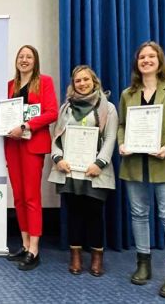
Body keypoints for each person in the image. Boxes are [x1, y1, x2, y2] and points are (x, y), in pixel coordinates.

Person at [118, 41, 165, 298]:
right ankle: (143, 263)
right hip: (135, 163)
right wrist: (122, 143)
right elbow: (121, 125)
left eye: (151, 56)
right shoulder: (128, 93)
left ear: (160, 60)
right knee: (139, 213)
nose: (146, 60)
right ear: (136, 63)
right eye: (142, 57)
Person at [48, 65, 118, 276]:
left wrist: (100, 163)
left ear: (94, 81)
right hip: (70, 171)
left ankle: (97, 258)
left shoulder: (108, 107)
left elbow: (111, 137)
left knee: (94, 214)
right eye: (78, 80)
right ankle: (75, 256)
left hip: (94, 171)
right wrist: (57, 158)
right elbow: (56, 137)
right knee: (74, 214)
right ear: (73, 84)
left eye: (86, 79)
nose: (82, 84)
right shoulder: (65, 108)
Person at [5, 45, 58, 270]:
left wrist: (26, 125)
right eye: (21, 56)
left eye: (29, 57)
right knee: (18, 196)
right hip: (12, 146)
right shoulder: (10, 85)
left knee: (31, 197)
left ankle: (34, 249)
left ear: (35, 61)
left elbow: (52, 112)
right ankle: (25, 245)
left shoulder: (44, 82)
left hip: (32, 145)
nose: (24, 60)